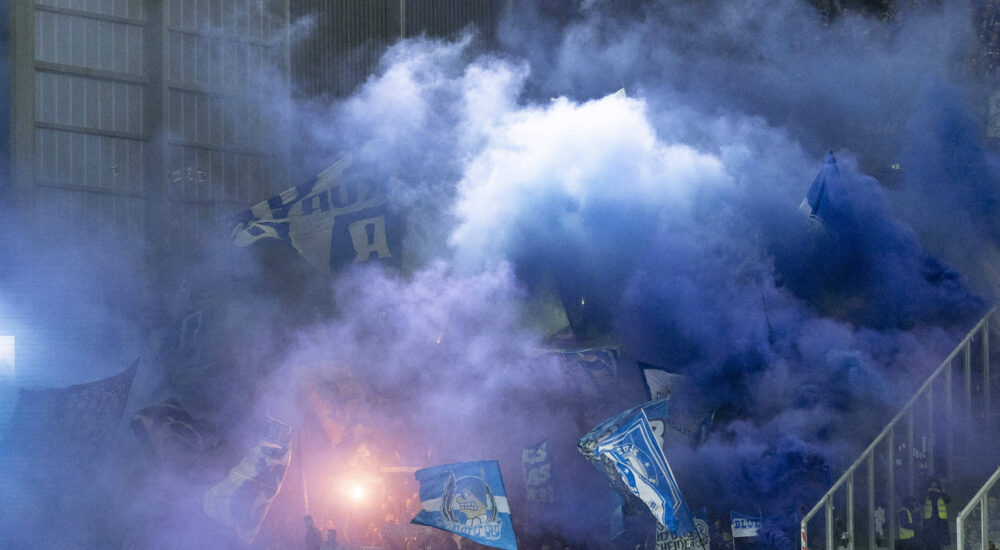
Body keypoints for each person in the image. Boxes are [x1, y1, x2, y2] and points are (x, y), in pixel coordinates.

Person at [921, 479, 951, 550]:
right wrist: (927, 492)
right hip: (929, 522)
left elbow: (948, 499)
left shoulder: (941, 494)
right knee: (928, 543)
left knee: (939, 543)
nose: (933, 489)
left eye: (935, 487)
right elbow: (920, 500)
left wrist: (940, 492)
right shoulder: (926, 495)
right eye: (932, 487)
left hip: (940, 522)